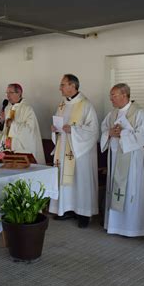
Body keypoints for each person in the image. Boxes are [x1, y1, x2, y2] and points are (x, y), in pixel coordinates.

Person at [100, 83, 144, 237]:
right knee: (116, 187)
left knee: (130, 189)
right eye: (111, 96)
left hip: (133, 158)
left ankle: (132, 227)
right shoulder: (112, 114)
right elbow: (103, 130)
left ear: (124, 95)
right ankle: (114, 225)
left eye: (113, 96)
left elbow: (143, 136)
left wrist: (122, 134)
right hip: (116, 157)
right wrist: (109, 133)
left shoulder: (139, 113)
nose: (111, 99)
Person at [49, 74, 99, 228]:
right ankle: (66, 209)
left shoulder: (86, 105)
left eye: (63, 84)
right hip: (63, 147)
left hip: (80, 152)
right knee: (64, 179)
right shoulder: (62, 105)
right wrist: (55, 130)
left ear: (72, 86)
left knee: (80, 180)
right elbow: (59, 124)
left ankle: (83, 213)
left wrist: (74, 130)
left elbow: (93, 130)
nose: (60, 88)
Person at [0, 83, 45, 164]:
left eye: (10, 93)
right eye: (6, 93)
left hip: (21, 152)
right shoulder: (7, 109)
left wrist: (13, 125)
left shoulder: (27, 109)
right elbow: (0, 132)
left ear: (19, 93)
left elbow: (30, 131)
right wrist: (2, 123)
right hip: (7, 151)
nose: (8, 95)